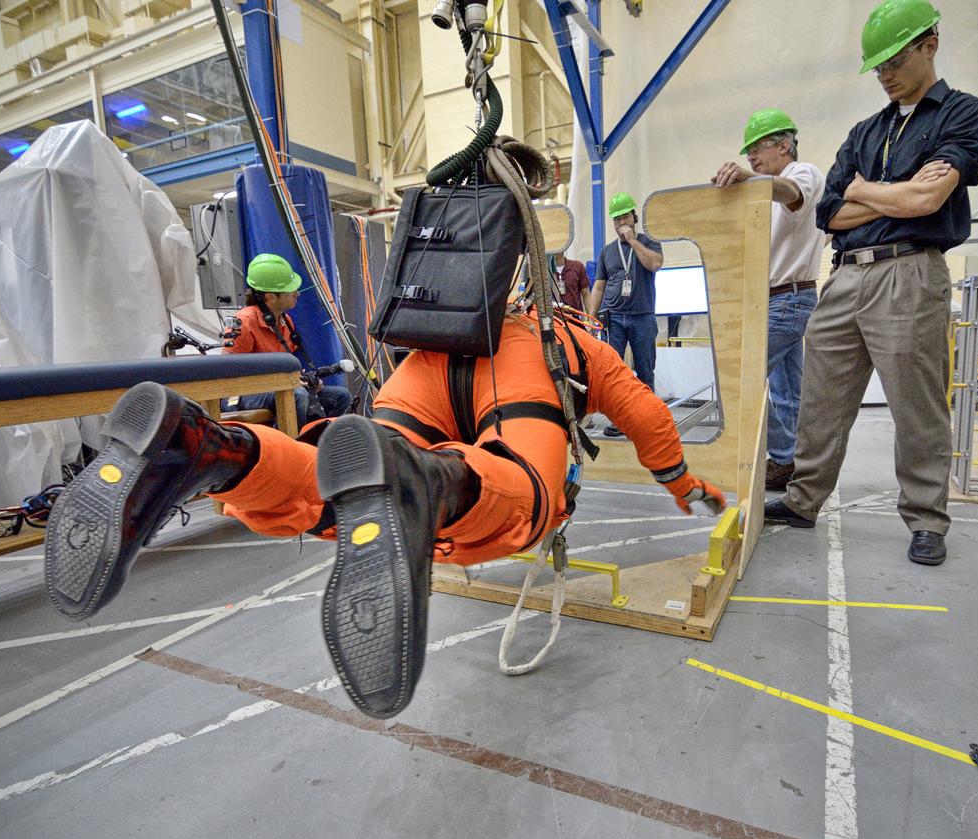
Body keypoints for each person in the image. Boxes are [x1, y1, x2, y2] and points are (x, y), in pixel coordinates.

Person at [43, 305, 726, 721]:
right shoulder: (569, 337)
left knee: (340, 495)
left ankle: (211, 450)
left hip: (420, 370)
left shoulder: (437, 326)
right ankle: (428, 482)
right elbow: (642, 412)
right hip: (516, 373)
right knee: (525, 499)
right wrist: (680, 482)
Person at [763, 0, 978, 567]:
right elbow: (829, 214)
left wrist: (866, 189)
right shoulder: (865, 131)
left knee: (915, 405)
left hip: (910, 271)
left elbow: (927, 199)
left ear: (930, 44)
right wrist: (887, 190)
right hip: (844, 275)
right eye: (878, 66)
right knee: (822, 399)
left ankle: (925, 518)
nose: (886, 73)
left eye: (895, 58)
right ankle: (803, 499)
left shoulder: (963, 114)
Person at [712, 108, 827, 490]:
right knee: (787, 391)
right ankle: (794, 462)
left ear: (784, 145)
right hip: (777, 299)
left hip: (787, 299)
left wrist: (754, 178)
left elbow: (793, 195)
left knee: (743, 379)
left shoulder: (801, 173)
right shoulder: (765, 192)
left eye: (758, 150)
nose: (752, 158)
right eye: (748, 154)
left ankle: (782, 455)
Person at [227, 253, 351, 428]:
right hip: (243, 394)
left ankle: (323, 448)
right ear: (270, 297)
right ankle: (291, 448)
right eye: (289, 290)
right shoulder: (244, 323)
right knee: (296, 394)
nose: (297, 293)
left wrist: (306, 381)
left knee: (341, 396)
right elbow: (230, 376)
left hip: (282, 387)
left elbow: (287, 367)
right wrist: (285, 383)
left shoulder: (285, 321)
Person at [586, 192, 665, 436]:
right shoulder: (607, 251)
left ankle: (648, 419)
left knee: (644, 369)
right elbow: (599, 286)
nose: (621, 223)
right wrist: (591, 318)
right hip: (614, 318)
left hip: (642, 316)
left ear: (634, 217)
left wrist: (632, 241)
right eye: (616, 219)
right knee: (614, 372)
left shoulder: (649, 242)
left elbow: (654, 264)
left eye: (624, 216)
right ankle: (620, 420)